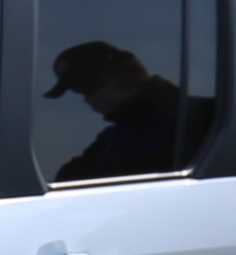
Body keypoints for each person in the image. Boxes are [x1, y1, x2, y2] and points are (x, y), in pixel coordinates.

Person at [43, 40, 190, 182]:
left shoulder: (200, 117)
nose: (89, 98)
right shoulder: (108, 142)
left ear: (132, 71)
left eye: (92, 85)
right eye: (82, 92)